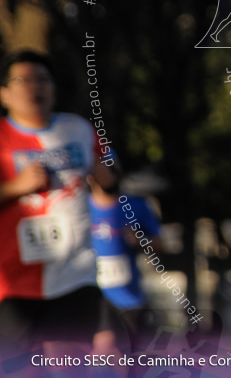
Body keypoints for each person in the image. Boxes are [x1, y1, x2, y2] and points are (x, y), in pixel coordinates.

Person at [0, 50, 106, 351]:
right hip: (11, 284)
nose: (35, 87)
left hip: (76, 274)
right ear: (4, 94)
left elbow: (111, 174)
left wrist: (109, 180)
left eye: (42, 79)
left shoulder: (79, 129)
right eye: (24, 80)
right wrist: (16, 187)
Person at [87, 155, 162, 350]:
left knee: (134, 357)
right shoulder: (79, 208)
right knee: (102, 354)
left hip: (129, 299)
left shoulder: (135, 206)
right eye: (102, 171)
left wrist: (140, 240)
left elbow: (159, 242)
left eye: (113, 171)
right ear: (90, 176)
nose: (108, 176)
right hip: (92, 297)